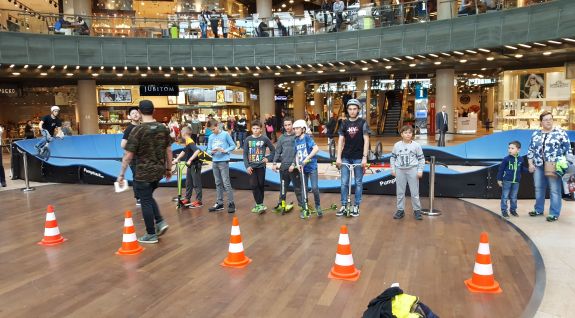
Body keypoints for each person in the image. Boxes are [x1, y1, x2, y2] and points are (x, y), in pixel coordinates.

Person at [117, 100, 172, 244]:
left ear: (140, 113)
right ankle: (160, 222)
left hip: (143, 172)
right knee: (148, 196)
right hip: (158, 171)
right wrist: (168, 168)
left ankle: (151, 234)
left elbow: (128, 155)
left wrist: (122, 174)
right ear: (153, 111)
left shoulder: (137, 130)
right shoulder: (163, 128)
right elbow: (168, 150)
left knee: (145, 201)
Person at [527, 111, 572, 222]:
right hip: (538, 165)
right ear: (541, 122)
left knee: (554, 190)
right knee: (538, 188)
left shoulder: (560, 133)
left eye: (550, 119)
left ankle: (554, 213)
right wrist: (530, 163)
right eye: (546, 120)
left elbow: (568, 150)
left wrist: (569, 165)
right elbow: (531, 150)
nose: (549, 121)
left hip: (554, 165)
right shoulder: (536, 134)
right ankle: (538, 209)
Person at [336, 99, 369, 217]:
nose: (352, 111)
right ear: (347, 110)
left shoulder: (363, 122)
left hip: (358, 157)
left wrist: (365, 157)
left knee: (358, 182)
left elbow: (366, 140)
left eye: (354, 109)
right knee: (344, 182)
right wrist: (338, 157)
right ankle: (344, 205)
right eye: (350, 109)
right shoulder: (344, 123)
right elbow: (340, 140)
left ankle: (356, 205)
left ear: (358, 110)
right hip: (346, 156)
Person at [391, 126, 425, 221]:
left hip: (412, 170)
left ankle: (417, 210)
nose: (408, 134)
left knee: (414, 192)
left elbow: (421, 159)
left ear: (412, 134)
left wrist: (420, 170)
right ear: (401, 134)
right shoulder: (397, 145)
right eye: (405, 132)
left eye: (410, 132)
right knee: (400, 191)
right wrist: (393, 169)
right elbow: (393, 158)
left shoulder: (416, 145)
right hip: (400, 170)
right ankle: (400, 210)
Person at [243, 121, 275, 214]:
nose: (255, 130)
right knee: (254, 185)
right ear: (251, 129)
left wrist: (268, 158)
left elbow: (273, 150)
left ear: (261, 129)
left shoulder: (264, 139)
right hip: (251, 167)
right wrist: (247, 166)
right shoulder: (248, 139)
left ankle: (260, 204)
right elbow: (245, 154)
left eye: (257, 128)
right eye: (254, 128)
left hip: (261, 166)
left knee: (260, 185)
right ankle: (259, 204)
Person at [292, 119, 321, 218]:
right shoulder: (296, 140)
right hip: (302, 168)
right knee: (303, 189)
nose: (295, 130)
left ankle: (318, 206)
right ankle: (305, 208)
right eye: (294, 128)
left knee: (314, 188)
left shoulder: (307, 138)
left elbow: (316, 149)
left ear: (303, 129)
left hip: (311, 167)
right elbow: (296, 154)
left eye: (297, 128)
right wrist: (297, 164)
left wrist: (306, 159)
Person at [273, 117, 303, 211]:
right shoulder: (281, 138)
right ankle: (281, 204)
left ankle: (302, 206)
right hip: (284, 167)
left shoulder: (297, 137)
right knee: (283, 188)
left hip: (294, 167)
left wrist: (293, 164)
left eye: (289, 124)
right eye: (285, 125)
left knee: (297, 188)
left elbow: (298, 152)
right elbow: (277, 151)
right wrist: (274, 163)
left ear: (292, 125)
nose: (287, 127)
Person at [207, 119, 237, 213]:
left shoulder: (225, 134)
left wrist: (225, 150)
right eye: (211, 130)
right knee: (217, 183)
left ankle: (231, 203)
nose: (212, 131)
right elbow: (208, 149)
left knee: (226, 183)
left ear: (217, 125)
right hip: (214, 161)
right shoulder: (211, 137)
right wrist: (212, 151)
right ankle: (219, 203)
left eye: (213, 129)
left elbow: (233, 145)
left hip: (223, 161)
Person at [172, 126, 203, 208]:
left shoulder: (190, 141)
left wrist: (190, 160)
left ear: (184, 133)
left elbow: (197, 150)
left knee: (196, 183)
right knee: (188, 182)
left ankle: (199, 201)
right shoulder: (187, 142)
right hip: (191, 165)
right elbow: (184, 151)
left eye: (181, 131)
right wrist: (177, 159)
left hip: (195, 164)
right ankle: (187, 198)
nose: (180, 132)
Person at [497, 141, 528, 218]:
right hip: (507, 180)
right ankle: (504, 211)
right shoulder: (506, 159)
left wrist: (529, 170)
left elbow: (522, 169)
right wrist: (499, 179)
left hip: (516, 182)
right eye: (509, 148)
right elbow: (501, 170)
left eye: (512, 148)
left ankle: (513, 210)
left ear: (518, 150)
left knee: (514, 197)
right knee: (505, 196)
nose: (509, 150)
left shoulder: (521, 159)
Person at [121, 106, 141, 206]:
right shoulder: (129, 128)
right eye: (133, 113)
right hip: (134, 158)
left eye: (137, 112)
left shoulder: (142, 126)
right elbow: (123, 144)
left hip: (143, 157)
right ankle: (138, 198)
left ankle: (144, 196)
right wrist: (134, 146)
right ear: (130, 116)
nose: (136, 114)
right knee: (137, 177)